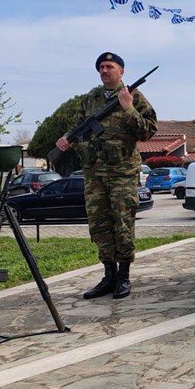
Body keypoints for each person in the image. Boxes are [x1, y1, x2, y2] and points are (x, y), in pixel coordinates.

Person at [55, 52, 157, 300]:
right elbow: (78, 127)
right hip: (95, 174)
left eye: (109, 66)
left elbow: (148, 132)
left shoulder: (134, 97)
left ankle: (123, 276)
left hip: (122, 173)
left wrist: (128, 108)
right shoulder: (90, 99)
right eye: (101, 67)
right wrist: (67, 139)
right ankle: (108, 276)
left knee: (122, 224)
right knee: (99, 225)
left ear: (121, 71)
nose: (104, 71)